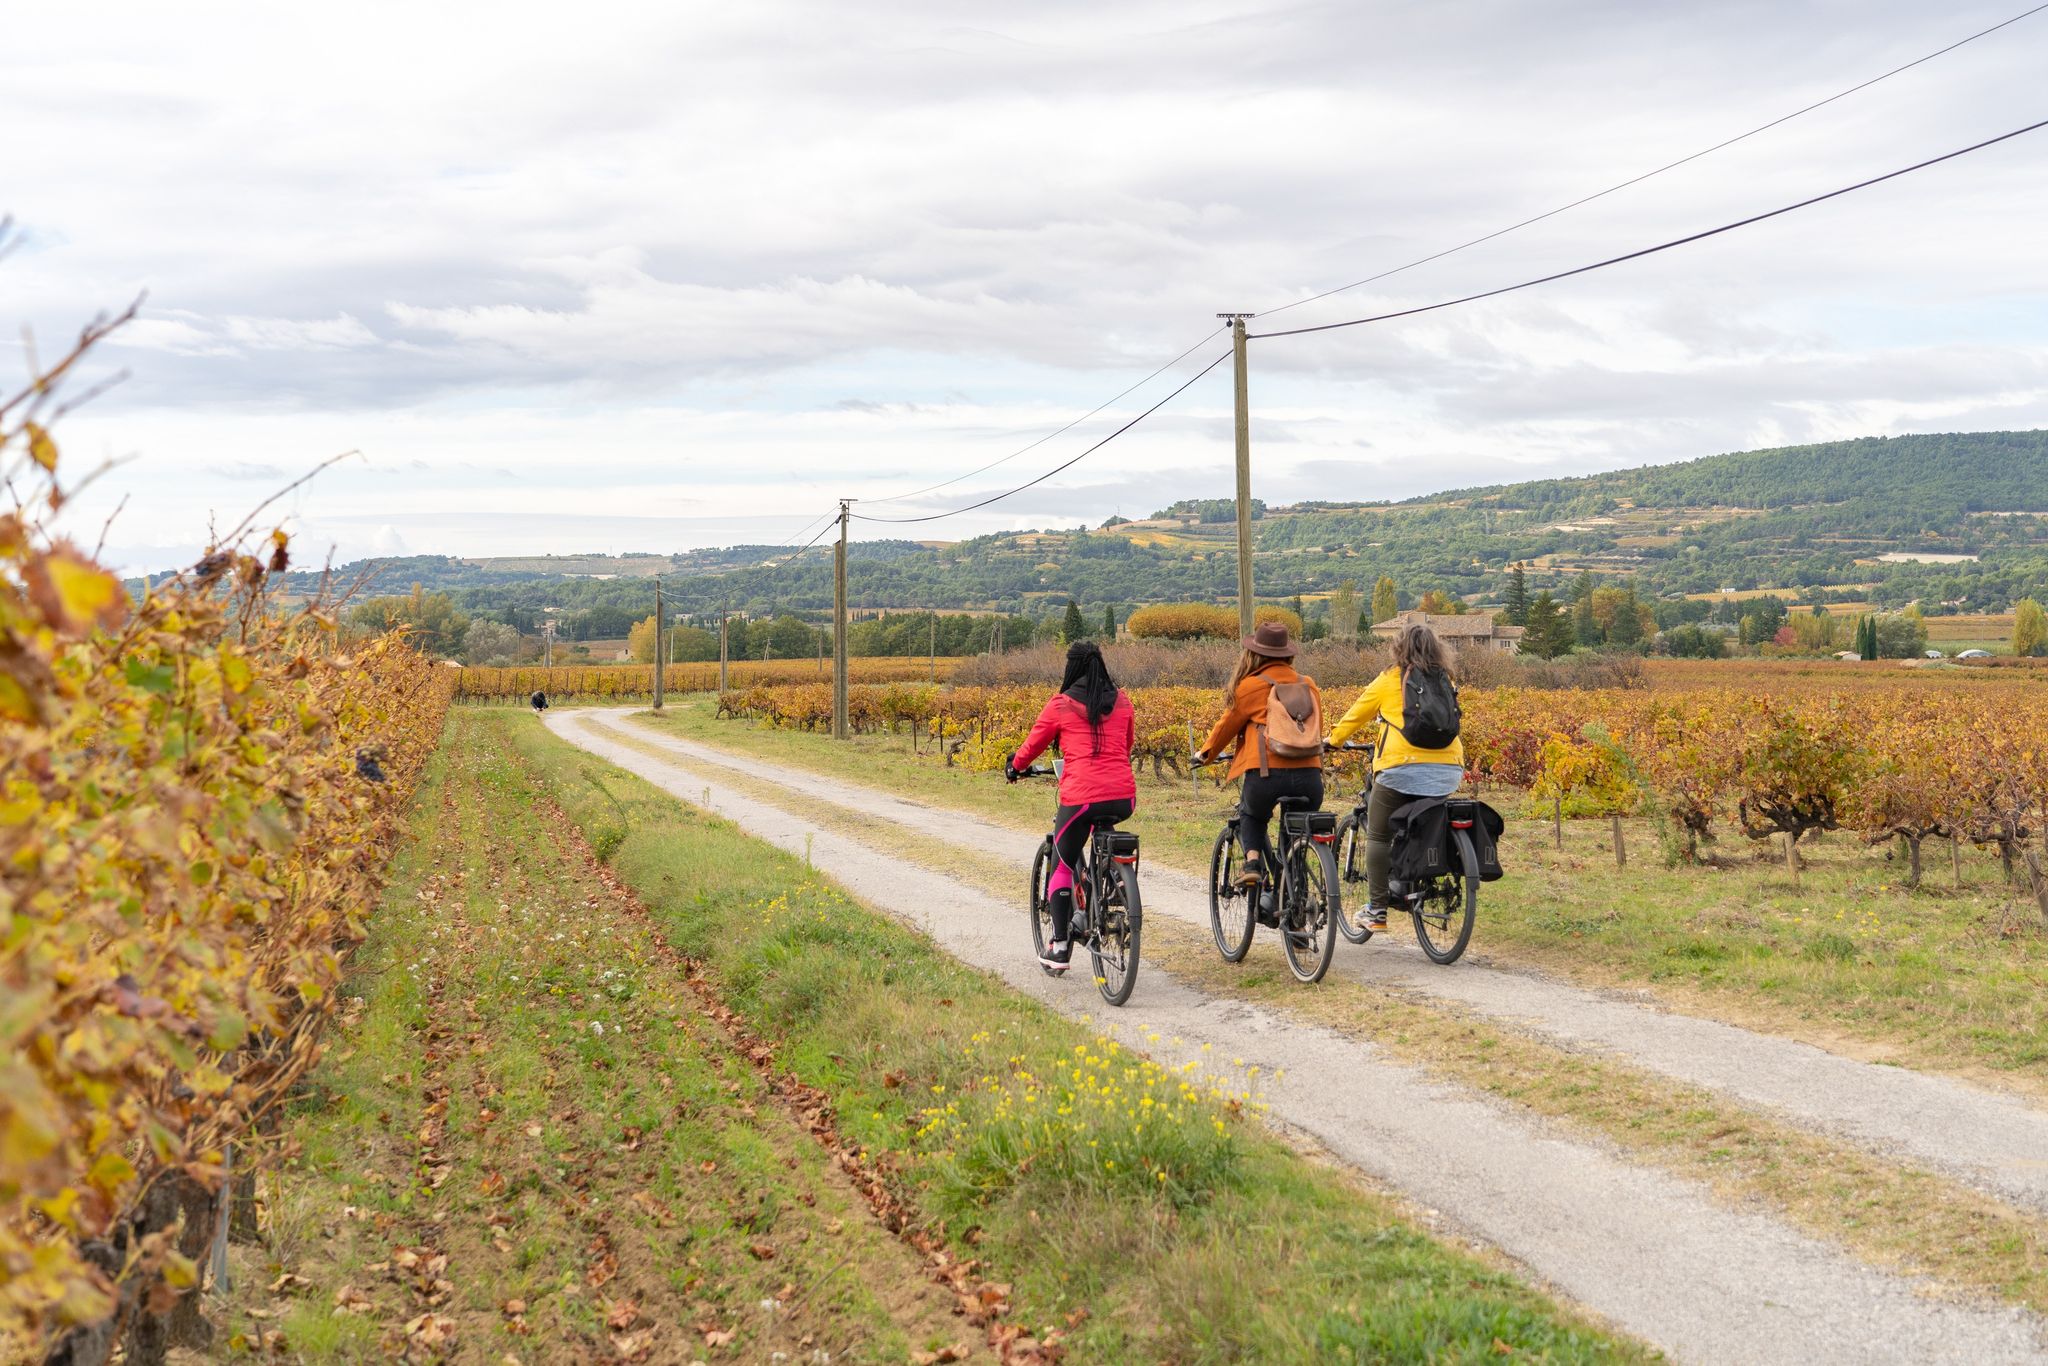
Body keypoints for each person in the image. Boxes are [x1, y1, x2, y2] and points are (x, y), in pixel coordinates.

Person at [1005, 641, 1137, 973]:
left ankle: (1060, 945)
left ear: (1071, 670)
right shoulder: (1122, 701)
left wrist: (1015, 766)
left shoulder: (1061, 704)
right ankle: (1116, 886)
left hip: (1080, 797)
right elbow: (1127, 744)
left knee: (1062, 863)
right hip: (1123, 797)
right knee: (1102, 834)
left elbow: (1032, 745)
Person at [1327, 620, 1466, 931]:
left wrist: (1332, 741)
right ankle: (1415, 880)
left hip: (1400, 768)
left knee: (1378, 834)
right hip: (1449, 770)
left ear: (1398, 648)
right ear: (1436, 649)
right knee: (1425, 820)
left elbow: (1355, 716)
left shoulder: (1389, 679)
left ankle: (1377, 910)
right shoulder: (1446, 680)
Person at [1194, 622, 1324, 922]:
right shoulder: (1309, 684)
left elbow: (1225, 727)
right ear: (1287, 655)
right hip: (1310, 777)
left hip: (1267, 776)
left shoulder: (1251, 686)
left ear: (1255, 654)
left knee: (1251, 815)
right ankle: (1298, 923)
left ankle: (1252, 865)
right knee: (1294, 847)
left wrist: (1205, 754)